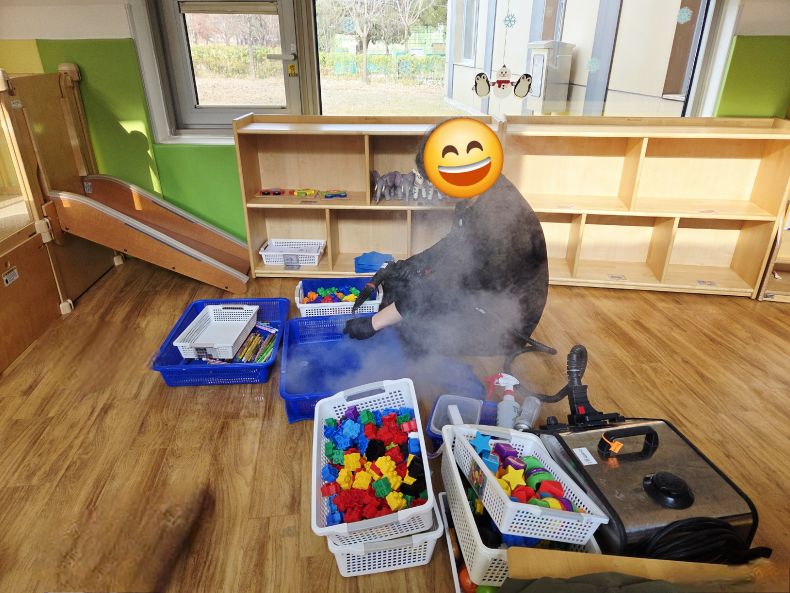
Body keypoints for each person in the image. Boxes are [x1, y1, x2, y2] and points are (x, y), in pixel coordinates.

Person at [344, 118, 548, 357]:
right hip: (478, 288)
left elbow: (449, 285)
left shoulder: (498, 217)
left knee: (410, 329)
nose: (438, 189)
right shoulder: (474, 191)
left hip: (505, 322)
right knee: (396, 288)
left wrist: (374, 323)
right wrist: (402, 266)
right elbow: (455, 243)